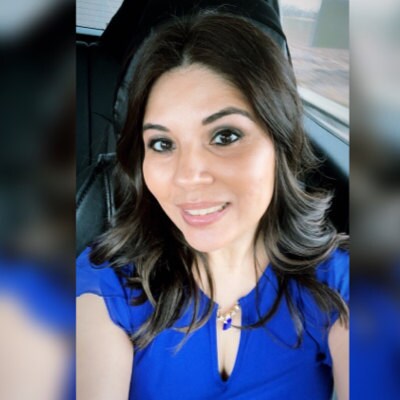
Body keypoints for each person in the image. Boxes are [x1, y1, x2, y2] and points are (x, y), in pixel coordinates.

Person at [77, 11, 349, 400]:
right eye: (162, 144)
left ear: (279, 143)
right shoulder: (110, 283)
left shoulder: (340, 283)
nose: (188, 176)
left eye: (225, 136)